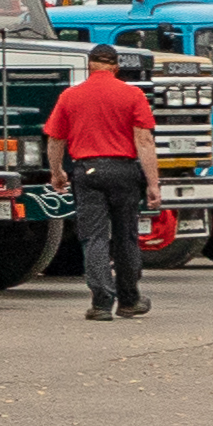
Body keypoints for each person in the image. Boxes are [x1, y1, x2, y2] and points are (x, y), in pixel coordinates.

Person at [46, 40, 159, 315]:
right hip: (124, 171)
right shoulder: (132, 95)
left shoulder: (70, 96)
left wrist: (57, 171)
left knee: (94, 238)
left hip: (88, 171)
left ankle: (101, 303)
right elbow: (144, 141)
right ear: (116, 67)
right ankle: (130, 300)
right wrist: (153, 183)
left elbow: (55, 138)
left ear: (89, 65)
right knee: (126, 236)